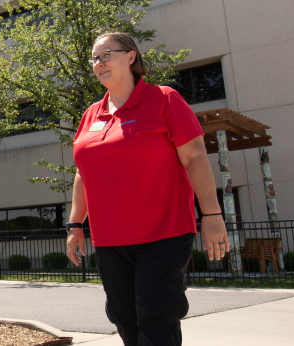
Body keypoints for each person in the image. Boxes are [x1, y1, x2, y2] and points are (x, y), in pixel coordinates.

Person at [63, 32, 230, 345]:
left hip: (164, 234)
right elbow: (83, 173)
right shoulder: (90, 115)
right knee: (124, 316)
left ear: (130, 57)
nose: (98, 63)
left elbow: (194, 156)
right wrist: (75, 223)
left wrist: (212, 214)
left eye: (106, 54)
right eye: (95, 58)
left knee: (156, 315)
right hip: (111, 239)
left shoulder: (164, 99)